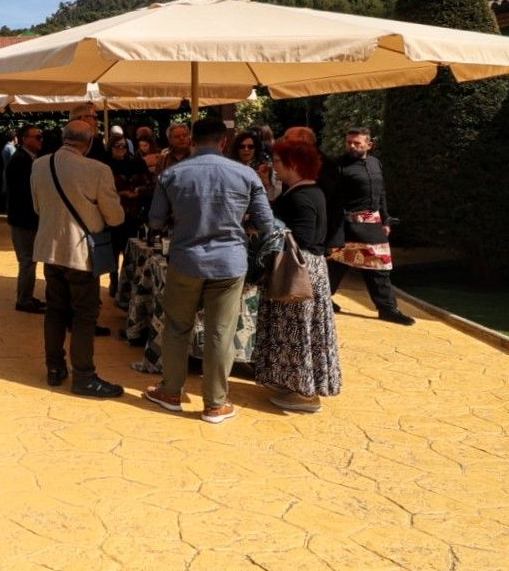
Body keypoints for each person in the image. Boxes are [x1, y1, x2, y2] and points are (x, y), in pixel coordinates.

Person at [144, 116, 275, 424]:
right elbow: (267, 224)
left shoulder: (172, 174)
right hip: (230, 263)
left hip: (185, 260)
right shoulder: (247, 174)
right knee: (221, 332)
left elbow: (154, 221)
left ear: (191, 141)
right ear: (223, 142)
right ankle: (215, 403)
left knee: (177, 327)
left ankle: (170, 392)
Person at [30, 121, 127, 398]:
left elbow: (38, 207)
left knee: (55, 310)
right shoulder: (97, 170)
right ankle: (83, 376)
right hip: (81, 253)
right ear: (90, 141)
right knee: (85, 316)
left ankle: (54, 368)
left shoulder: (40, 165)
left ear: (65, 138)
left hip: (50, 250)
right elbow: (116, 217)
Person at [254, 138, 341, 413]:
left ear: (293, 164)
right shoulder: (311, 191)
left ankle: (303, 393)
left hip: (298, 269)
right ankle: (297, 385)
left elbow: (302, 238)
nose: (274, 166)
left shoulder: (302, 196)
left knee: (296, 329)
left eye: (278, 161)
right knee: (303, 328)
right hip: (311, 268)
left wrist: (270, 230)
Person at [326, 126, 415, 325]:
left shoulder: (376, 164)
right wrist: (340, 225)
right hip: (347, 225)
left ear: (369, 144)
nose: (351, 146)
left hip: (373, 225)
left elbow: (381, 193)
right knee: (339, 264)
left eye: (357, 143)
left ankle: (387, 309)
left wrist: (385, 219)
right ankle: (324, 300)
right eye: (349, 142)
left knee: (374, 265)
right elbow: (331, 199)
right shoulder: (337, 166)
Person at [105, 133, 154, 299]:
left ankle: (127, 285)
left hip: (132, 215)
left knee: (130, 253)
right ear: (110, 148)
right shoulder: (105, 167)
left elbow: (148, 184)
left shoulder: (134, 164)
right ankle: (114, 283)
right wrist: (121, 194)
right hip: (112, 216)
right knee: (112, 253)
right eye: (117, 146)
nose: (121, 149)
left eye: (124, 146)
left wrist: (137, 192)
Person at [4, 124, 46, 313]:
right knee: (27, 261)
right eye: (37, 137)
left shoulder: (29, 159)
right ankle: (23, 300)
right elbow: (24, 194)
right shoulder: (20, 161)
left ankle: (27, 296)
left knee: (30, 260)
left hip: (27, 219)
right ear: (25, 139)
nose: (40, 140)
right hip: (23, 219)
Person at [231, 130, 277, 199]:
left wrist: (266, 183)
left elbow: (271, 197)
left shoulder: (264, 168)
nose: (246, 149)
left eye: (250, 146)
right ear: (237, 149)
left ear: (255, 149)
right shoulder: (229, 167)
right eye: (242, 146)